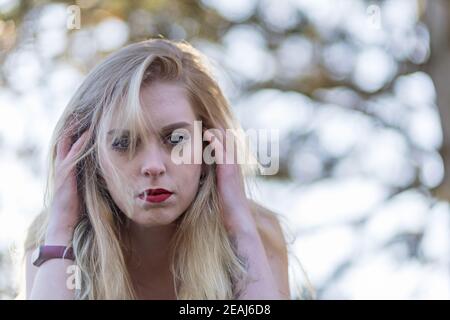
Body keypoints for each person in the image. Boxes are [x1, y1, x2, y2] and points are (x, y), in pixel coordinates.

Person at [21, 38, 291, 299]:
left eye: (175, 139)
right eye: (123, 143)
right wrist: (61, 228)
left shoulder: (257, 231)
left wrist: (239, 224)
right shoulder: (53, 238)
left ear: (209, 145)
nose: (153, 166)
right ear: (90, 159)